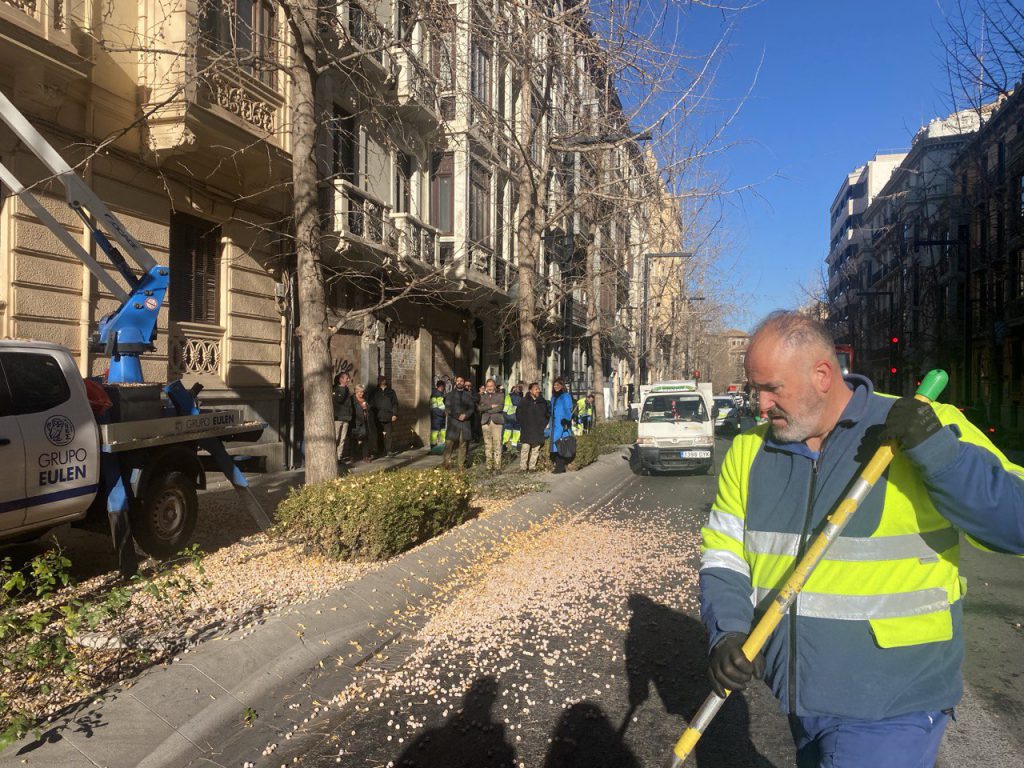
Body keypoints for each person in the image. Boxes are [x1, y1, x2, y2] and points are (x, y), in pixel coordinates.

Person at [699, 310, 1024, 768]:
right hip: (801, 700)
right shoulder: (751, 451)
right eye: (756, 390)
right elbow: (724, 555)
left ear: (823, 375)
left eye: (772, 389)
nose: (761, 405)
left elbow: (1016, 523)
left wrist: (938, 453)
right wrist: (727, 631)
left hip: (893, 702)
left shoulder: (927, 424)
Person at [442, 375, 475, 470]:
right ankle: (446, 463)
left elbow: (471, 408)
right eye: (458, 381)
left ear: (464, 382)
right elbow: (448, 408)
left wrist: (466, 415)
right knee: (449, 444)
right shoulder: (450, 395)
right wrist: (457, 416)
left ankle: (461, 465)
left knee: (463, 444)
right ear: (455, 382)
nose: (459, 382)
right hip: (453, 422)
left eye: (461, 381)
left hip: (465, 423)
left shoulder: (468, 395)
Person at [517, 382, 548, 471]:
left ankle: (532, 467)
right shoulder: (524, 401)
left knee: (535, 449)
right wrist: (523, 424)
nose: (538, 391)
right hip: (527, 429)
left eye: (538, 389)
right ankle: (523, 467)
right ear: (530, 390)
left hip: (538, 429)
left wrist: (543, 424)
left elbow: (546, 414)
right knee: (525, 448)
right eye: (536, 389)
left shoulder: (542, 401)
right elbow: (518, 414)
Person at [548, 378, 575, 474]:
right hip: (554, 424)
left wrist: (567, 420)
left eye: (558, 385)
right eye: (555, 385)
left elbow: (568, 409)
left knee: (560, 444)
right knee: (555, 444)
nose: (556, 387)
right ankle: (559, 466)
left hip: (561, 424)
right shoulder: (553, 397)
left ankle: (560, 467)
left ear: (562, 386)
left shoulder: (565, 396)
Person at [478, 378, 505, 470]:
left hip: (496, 422)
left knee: (497, 444)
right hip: (485, 422)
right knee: (487, 444)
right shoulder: (482, 396)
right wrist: (490, 406)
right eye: (488, 386)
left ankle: (497, 466)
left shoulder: (500, 395)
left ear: (494, 386)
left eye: (491, 386)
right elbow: (479, 408)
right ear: (486, 387)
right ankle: (489, 466)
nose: (489, 387)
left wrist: (486, 408)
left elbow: (500, 407)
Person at [371, 375, 399, 457]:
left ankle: (389, 451)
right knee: (378, 434)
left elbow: (395, 404)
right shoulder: (375, 392)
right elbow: (371, 403)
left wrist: (394, 414)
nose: (381, 381)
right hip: (378, 416)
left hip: (388, 415)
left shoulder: (391, 392)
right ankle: (379, 450)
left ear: (385, 381)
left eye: (383, 380)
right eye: (380, 380)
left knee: (388, 435)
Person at [332, 371, 354, 464]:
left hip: (346, 418)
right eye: (346, 378)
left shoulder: (346, 389)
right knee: (336, 437)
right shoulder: (336, 389)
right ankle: (333, 457)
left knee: (342, 439)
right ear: (341, 379)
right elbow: (339, 399)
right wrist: (344, 388)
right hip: (338, 417)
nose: (348, 380)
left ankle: (339, 457)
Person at [351, 385, 372, 463]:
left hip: (365, 422)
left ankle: (365, 457)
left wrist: (366, 408)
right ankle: (352, 457)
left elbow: (369, 408)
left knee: (365, 440)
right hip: (356, 422)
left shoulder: (364, 399)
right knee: (353, 440)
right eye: (360, 392)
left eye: (362, 392)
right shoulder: (352, 399)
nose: (362, 394)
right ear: (356, 391)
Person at [502, 381, 524, 452]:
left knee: (511, 432)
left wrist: (505, 415)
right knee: (514, 432)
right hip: (514, 417)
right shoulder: (518, 397)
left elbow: (505, 408)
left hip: (511, 417)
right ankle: (510, 447)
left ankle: (506, 447)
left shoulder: (510, 396)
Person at [430, 380, 447, 450]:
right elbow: (434, 407)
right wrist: (443, 413)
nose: (445, 388)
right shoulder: (435, 394)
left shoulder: (442, 394)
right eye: (444, 386)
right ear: (441, 386)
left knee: (443, 430)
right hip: (436, 417)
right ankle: (433, 445)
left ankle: (443, 445)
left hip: (442, 416)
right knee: (435, 431)